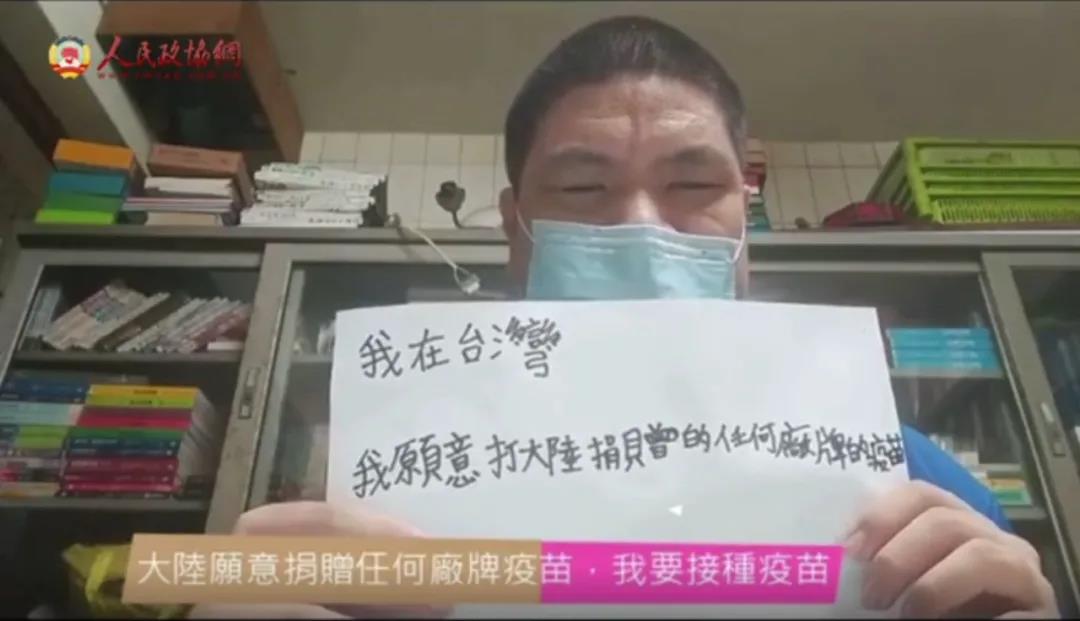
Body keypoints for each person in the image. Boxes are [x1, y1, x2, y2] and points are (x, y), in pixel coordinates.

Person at [192, 15, 1059, 619]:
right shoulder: (397, 489)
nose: (642, 225)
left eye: (693, 183)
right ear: (515, 230)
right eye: (581, 187)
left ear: (745, 227)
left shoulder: (915, 488)